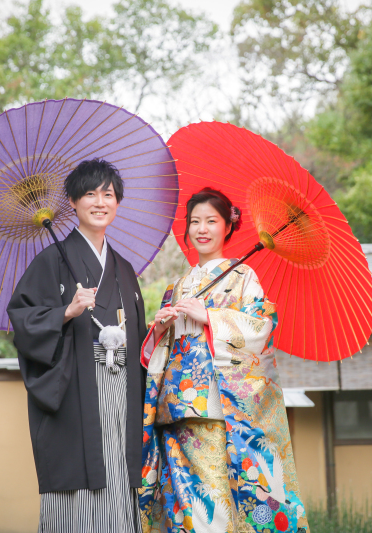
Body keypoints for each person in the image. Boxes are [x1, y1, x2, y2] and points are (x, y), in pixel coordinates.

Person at [138, 188, 309, 533]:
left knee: (217, 500)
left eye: (211, 221)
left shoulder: (243, 277)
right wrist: (159, 329)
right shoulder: (176, 285)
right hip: (173, 408)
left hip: (217, 408)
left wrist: (211, 317)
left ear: (227, 227)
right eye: (195, 221)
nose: (202, 229)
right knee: (185, 507)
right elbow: (159, 350)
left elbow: (260, 329)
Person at [7, 159, 146, 533]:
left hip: (123, 394)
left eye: (109, 194)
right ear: (72, 202)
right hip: (76, 395)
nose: (100, 202)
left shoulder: (125, 269)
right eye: (90, 194)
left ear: (117, 203)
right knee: (80, 498)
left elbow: (140, 338)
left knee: (121, 482)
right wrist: (65, 312)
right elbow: (23, 323)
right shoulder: (51, 261)